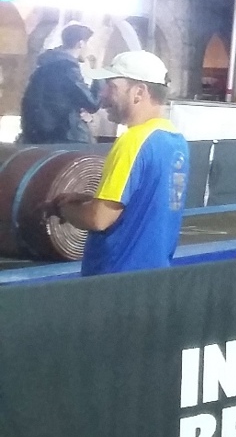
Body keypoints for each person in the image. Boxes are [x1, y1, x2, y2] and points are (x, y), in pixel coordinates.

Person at [48, 51, 187, 276]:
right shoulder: (175, 142)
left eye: (111, 87)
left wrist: (63, 208)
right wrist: (89, 200)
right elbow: (145, 205)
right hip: (155, 276)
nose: (102, 95)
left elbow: (98, 219)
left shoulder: (133, 141)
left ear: (139, 92)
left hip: (115, 280)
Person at [20, 23, 99, 144]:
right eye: (89, 45)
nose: (90, 50)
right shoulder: (67, 68)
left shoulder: (44, 66)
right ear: (81, 43)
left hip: (37, 136)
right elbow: (92, 103)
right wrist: (98, 75)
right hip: (65, 137)